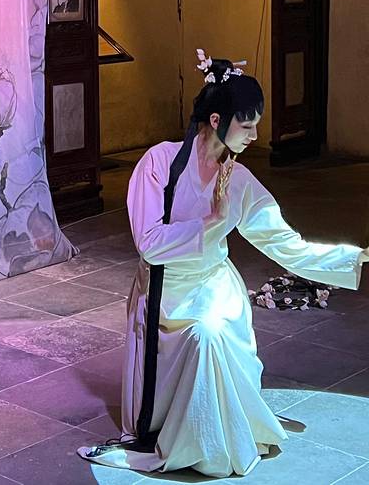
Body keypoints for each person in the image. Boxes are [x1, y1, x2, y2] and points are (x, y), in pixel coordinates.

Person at [78, 49, 369, 478]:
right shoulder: (159, 163)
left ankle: (213, 441)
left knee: (210, 332)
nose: (254, 135)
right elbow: (150, 244)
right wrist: (212, 222)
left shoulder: (239, 180)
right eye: (247, 125)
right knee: (201, 334)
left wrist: (353, 256)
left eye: (256, 125)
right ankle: (190, 440)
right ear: (217, 120)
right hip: (165, 290)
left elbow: (283, 243)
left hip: (214, 287)